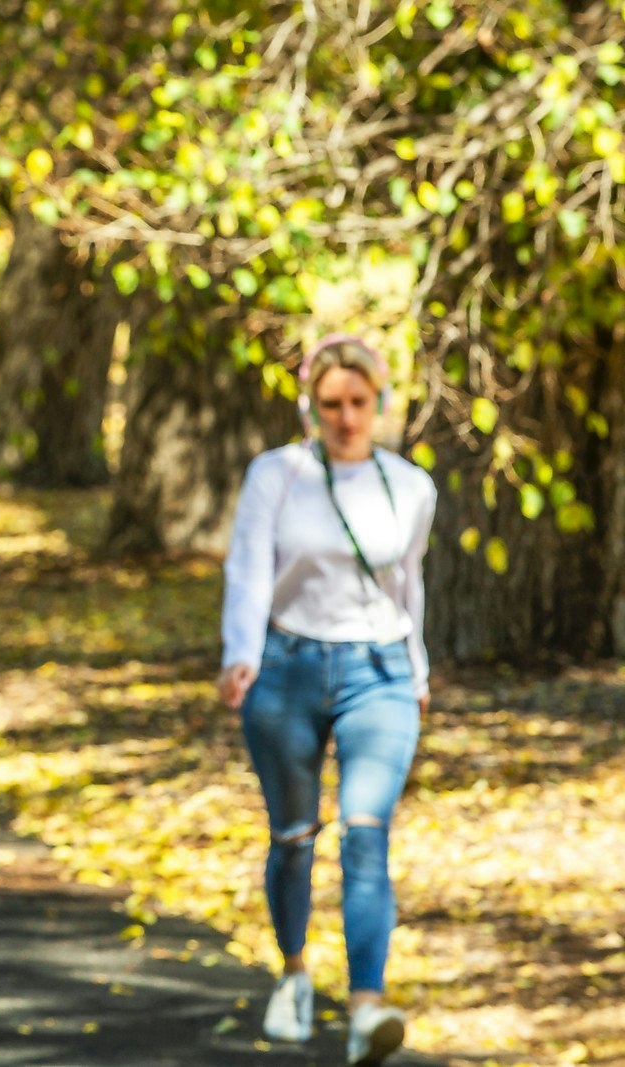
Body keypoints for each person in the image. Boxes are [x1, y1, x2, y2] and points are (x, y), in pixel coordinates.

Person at [216, 334, 437, 1066]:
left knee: (366, 830)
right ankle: (295, 971)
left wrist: (418, 667)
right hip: (287, 666)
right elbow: (249, 568)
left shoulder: (409, 486)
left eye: (359, 403)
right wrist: (240, 655)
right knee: (293, 835)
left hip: (379, 670)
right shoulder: (276, 474)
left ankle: (367, 1007)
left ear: (378, 402)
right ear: (312, 404)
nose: (346, 417)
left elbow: (409, 583)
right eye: (332, 403)